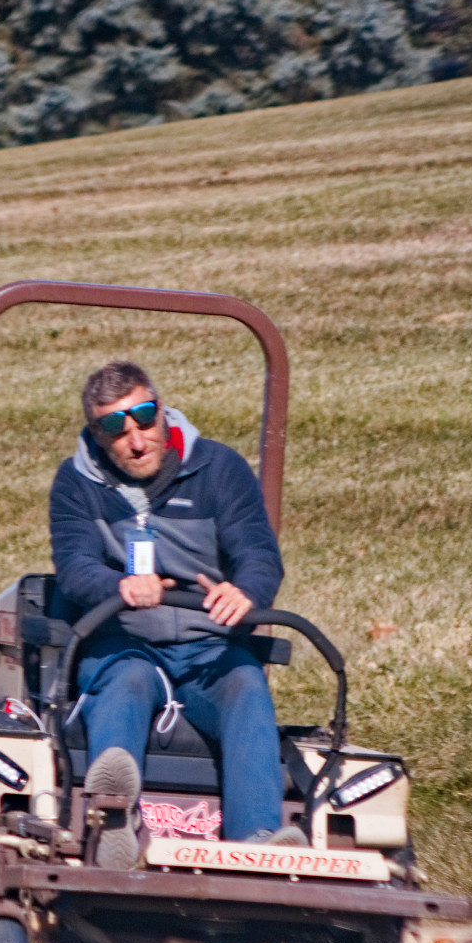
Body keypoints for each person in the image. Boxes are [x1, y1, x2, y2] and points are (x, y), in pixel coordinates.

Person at [48, 360, 299, 866]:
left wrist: (246, 592)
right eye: (116, 428)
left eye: (144, 418)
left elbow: (258, 552)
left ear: (162, 411)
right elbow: (74, 568)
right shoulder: (76, 484)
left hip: (208, 648)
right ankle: (114, 823)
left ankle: (259, 842)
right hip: (123, 639)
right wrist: (118, 586)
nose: (136, 440)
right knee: (128, 681)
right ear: (97, 436)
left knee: (246, 683)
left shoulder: (219, 469)